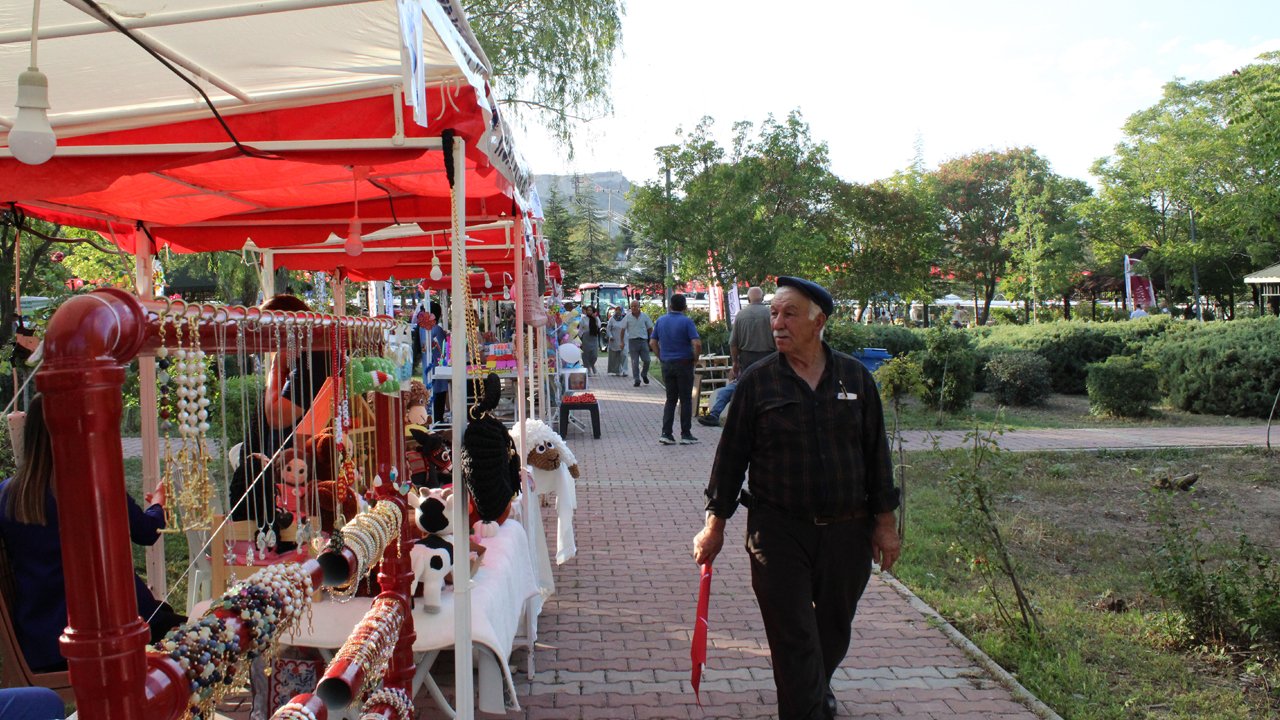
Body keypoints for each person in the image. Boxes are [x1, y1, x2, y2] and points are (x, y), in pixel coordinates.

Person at [692, 276, 901, 720]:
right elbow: (730, 460)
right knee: (793, 635)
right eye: (773, 313)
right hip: (777, 531)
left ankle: (814, 689)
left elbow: (876, 454)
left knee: (832, 629)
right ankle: (807, 708)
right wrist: (715, 523)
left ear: (818, 321)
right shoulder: (758, 382)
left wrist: (885, 524)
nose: (777, 323)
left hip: (848, 530)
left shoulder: (855, 379)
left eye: (789, 314)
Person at [0, 395, 186, 674]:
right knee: (195, 640)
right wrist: (159, 503)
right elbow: (147, 532)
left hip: (40, 643)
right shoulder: (96, 486)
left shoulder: (6, 494)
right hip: (106, 637)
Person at [699, 286, 775, 428]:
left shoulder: (741, 315)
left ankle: (715, 413)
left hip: (747, 358)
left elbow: (733, 343)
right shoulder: (771, 314)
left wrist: (735, 362)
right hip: (769, 357)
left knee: (739, 385)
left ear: (748, 298)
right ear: (763, 298)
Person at [650, 293, 702, 445]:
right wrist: (696, 359)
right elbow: (697, 343)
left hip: (667, 364)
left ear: (670, 305)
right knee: (685, 399)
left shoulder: (661, 321)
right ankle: (686, 434)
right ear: (685, 307)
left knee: (670, 399)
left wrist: (661, 357)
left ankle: (666, 433)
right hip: (684, 363)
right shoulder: (687, 322)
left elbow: (653, 342)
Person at [622, 300, 654, 387]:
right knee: (634, 362)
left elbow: (650, 328)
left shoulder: (645, 316)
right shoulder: (627, 317)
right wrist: (622, 341)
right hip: (632, 342)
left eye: (635, 306)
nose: (633, 308)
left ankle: (644, 374)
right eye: (632, 306)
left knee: (647, 360)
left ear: (639, 307)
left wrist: (652, 339)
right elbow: (622, 329)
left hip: (643, 341)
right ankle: (637, 379)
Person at [605, 305, 629, 376]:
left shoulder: (625, 319)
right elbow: (608, 329)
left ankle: (625, 371)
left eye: (619, 310)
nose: (618, 311)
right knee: (616, 356)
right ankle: (617, 370)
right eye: (617, 310)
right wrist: (610, 336)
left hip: (623, 340)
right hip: (614, 340)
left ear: (622, 311)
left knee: (624, 355)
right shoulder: (612, 319)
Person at [579, 305, 601, 375]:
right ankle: (588, 368)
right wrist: (580, 337)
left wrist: (595, 318)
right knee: (586, 354)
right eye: (588, 310)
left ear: (593, 311)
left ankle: (592, 365)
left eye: (590, 310)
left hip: (593, 337)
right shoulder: (583, 319)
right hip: (586, 337)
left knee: (594, 355)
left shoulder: (596, 318)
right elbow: (580, 328)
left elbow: (599, 326)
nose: (589, 311)